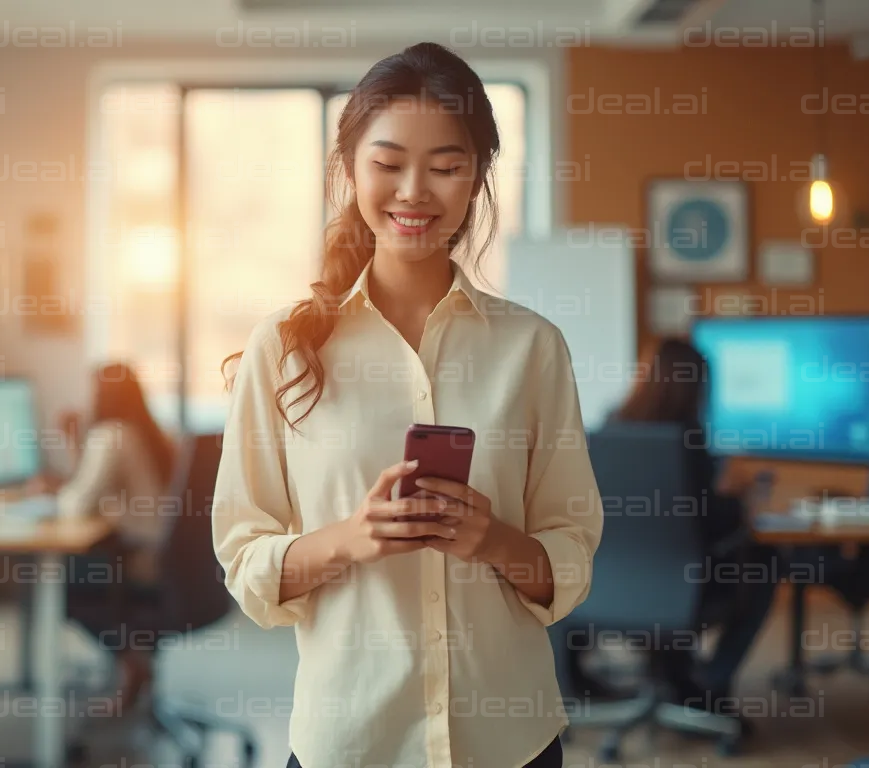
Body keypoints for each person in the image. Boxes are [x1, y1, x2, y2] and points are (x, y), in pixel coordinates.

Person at [211, 43, 603, 768]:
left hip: (509, 739)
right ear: (349, 169)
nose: (414, 191)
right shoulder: (284, 347)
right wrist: (353, 537)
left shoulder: (533, 348)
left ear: (478, 176)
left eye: (446, 166)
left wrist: (491, 540)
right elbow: (245, 561)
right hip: (351, 738)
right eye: (388, 164)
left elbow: (569, 558)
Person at [572, 338, 778, 716]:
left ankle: (667, 674)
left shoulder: (606, 434)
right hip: (684, 594)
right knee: (767, 559)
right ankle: (713, 679)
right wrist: (737, 498)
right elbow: (715, 526)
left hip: (605, 588)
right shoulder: (688, 442)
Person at [34, 362, 177, 716]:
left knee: (57, 583)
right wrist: (74, 449)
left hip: (137, 561)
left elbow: (77, 505)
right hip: (167, 564)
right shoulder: (144, 432)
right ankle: (135, 663)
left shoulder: (111, 435)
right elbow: (98, 490)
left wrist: (52, 492)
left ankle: (130, 662)